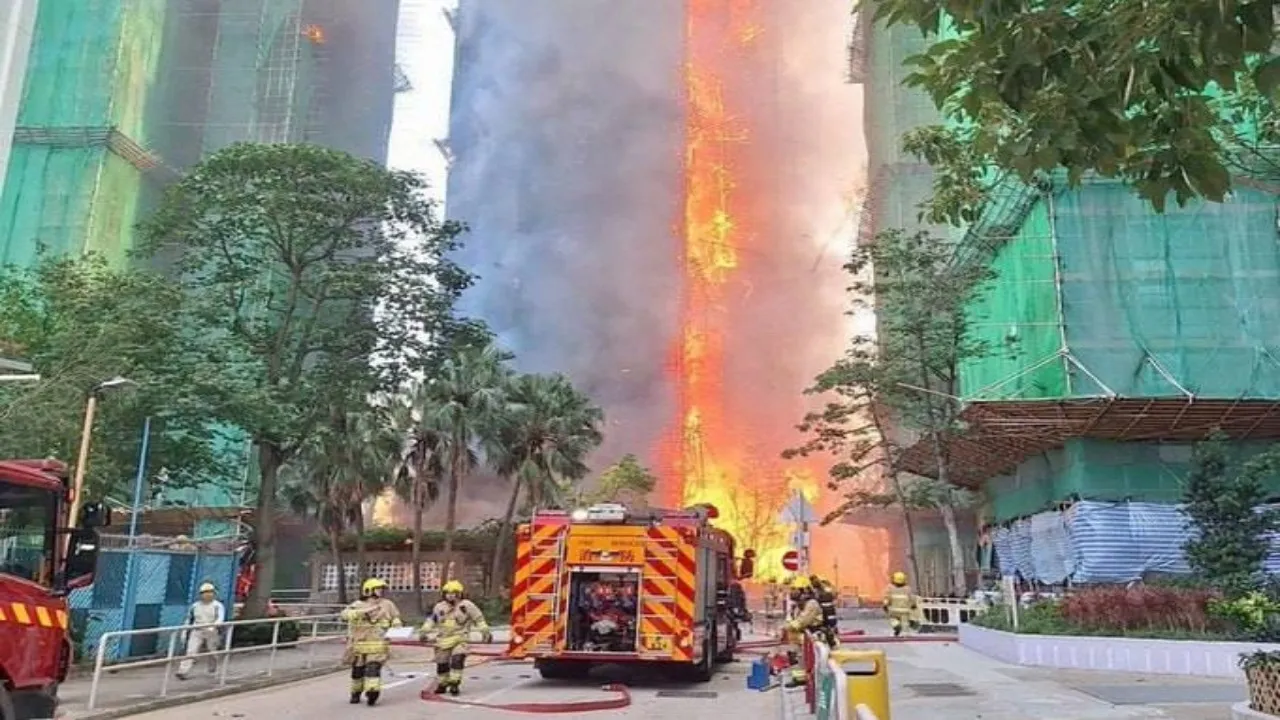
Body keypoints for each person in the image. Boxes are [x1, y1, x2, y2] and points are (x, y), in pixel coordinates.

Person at [420, 579, 492, 696]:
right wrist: (424, 632)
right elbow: (431, 620)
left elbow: (479, 619)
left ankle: (454, 684)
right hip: (443, 640)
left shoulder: (467, 606)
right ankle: (442, 684)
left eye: (453, 593)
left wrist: (485, 632)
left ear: (459, 594)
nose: (450, 596)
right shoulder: (439, 607)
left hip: (460, 638)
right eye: (448, 593)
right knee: (442, 664)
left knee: (457, 660)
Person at [341, 577, 402, 706]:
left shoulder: (387, 604)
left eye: (381, 589)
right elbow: (345, 615)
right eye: (378, 589)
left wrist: (397, 624)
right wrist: (366, 611)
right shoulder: (357, 605)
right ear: (369, 590)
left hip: (377, 644)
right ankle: (355, 693)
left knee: (373, 668)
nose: (381, 591)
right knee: (357, 671)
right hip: (359, 645)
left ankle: (372, 692)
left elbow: (395, 616)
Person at [177, 582, 225, 679]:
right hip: (197, 629)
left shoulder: (217, 605)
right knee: (191, 651)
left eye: (210, 592)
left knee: (212, 651)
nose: (207, 594)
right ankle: (183, 671)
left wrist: (214, 626)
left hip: (212, 630)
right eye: (204, 592)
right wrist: (185, 631)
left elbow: (220, 618)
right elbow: (189, 619)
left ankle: (212, 669)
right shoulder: (195, 606)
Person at [781, 576, 824, 686]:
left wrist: (787, 627)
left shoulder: (811, 604)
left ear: (803, 590)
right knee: (799, 659)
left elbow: (802, 622)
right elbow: (791, 619)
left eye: (794, 589)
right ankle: (800, 679)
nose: (791, 592)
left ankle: (809, 683)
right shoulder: (798, 605)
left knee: (810, 661)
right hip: (800, 639)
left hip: (813, 637)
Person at [883, 571, 917, 637]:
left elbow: (887, 597)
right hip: (905, 610)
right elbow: (912, 598)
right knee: (905, 622)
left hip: (893, 610)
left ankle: (896, 625)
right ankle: (906, 634)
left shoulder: (890, 588)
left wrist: (885, 605)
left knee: (893, 619)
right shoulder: (907, 588)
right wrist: (913, 605)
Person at [809, 574, 840, 647]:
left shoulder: (816, 590)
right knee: (831, 625)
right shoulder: (827, 587)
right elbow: (834, 594)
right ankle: (833, 638)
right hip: (830, 609)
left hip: (824, 610)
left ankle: (830, 640)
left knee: (825, 625)